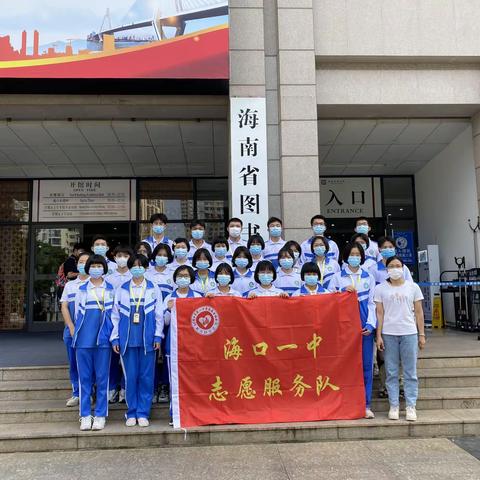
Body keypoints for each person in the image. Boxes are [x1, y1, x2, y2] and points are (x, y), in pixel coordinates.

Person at [110, 254, 164, 427]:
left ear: (146, 267)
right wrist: (115, 338)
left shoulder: (153, 288)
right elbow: (115, 316)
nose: (137, 268)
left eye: (141, 265)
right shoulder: (122, 288)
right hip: (127, 341)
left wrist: (157, 335)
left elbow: (159, 315)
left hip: (148, 341)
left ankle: (143, 412)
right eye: (134, 265)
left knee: (146, 378)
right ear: (130, 268)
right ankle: (131, 412)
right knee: (130, 378)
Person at [375, 256, 425, 422]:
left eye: (398, 266)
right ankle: (394, 405)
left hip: (409, 333)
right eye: (391, 266)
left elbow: (419, 312)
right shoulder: (380, 288)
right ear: (386, 269)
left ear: (403, 268)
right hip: (389, 334)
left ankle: (411, 406)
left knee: (410, 372)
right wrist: (379, 335)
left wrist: (422, 334)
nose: (395, 268)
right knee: (391, 372)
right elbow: (379, 313)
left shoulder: (413, 287)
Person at [329, 242, 377, 419]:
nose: (355, 257)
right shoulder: (337, 277)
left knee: (365, 366)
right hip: (343, 327)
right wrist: (342, 291)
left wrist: (371, 324)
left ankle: (365, 404)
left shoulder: (368, 277)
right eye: (352, 254)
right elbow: (328, 301)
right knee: (344, 366)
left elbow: (372, 303)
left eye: (358, 254)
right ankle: (344, 404)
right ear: (345, 256)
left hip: (364, 325)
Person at [72, 254, 115, 431]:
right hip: (83, 341)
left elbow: (114, 316)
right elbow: (77, 316)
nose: (96, 268)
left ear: (104, 268)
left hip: (103, 341)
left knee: (103, 379)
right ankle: (85, 415)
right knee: (85, 380)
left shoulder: (111, 289)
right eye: (93, 265)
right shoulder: (82, 289)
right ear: (88, 268)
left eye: (99, 265)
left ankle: (100, 414)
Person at [163, 266, 203, 425]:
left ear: (191, 278)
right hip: (173, 346)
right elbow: (164, 321)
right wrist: (168, 309)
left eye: (186, 276)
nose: (183, 278)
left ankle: (196, 412)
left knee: (196, 381)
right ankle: (176, 414)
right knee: (175, 382)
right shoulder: (168, 298)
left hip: (194, 347)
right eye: (180, 275)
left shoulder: (198, 297)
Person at [60, 251, 90, 407]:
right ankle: (77, 393)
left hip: (91, 334)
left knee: (90, 365)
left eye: (86, 261)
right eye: (80, 262)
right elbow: (64, 306)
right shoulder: (70, 285)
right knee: (74, 363)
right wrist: (71, 326)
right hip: (72, 332)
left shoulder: (98, 284)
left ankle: (90, 393)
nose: (83, 264)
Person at [145, 243, 175, 403]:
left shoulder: (173, 273)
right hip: (151, 320)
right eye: (159, 254)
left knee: (167, 354)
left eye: (165, 255)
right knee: (152, 354)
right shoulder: (147, 273)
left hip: (170, 321)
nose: (161, 257)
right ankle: (153, 385)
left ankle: (164, 385)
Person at [105, 245, 134, 403]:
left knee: (127, 357)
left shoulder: (134, 275)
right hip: (112, 320)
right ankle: (111, 388)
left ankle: (124, 388)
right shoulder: (109, 278)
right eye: (119, 255)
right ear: (114, 258)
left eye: (126, 255)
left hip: (130, 322)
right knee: (112, 357)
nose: (122, 258)